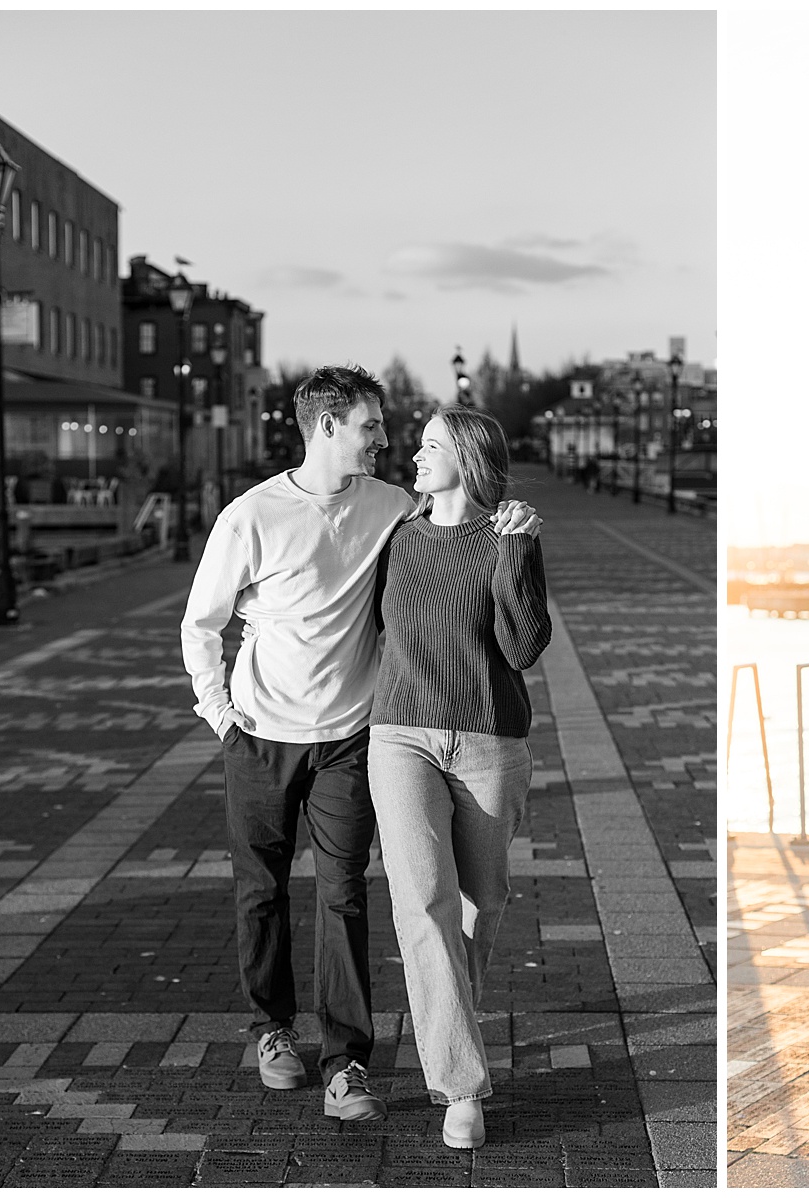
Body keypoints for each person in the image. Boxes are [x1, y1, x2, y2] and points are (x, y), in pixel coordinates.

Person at [181, 364, 533, 1121]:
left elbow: (455, 532)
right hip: (260, 734)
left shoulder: (394, 509)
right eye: (372, 426)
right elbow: (201, 624)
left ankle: (347, 1062)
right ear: (328, 427)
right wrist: (220, 716)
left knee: (346, 894)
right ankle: (272, 1030)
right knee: (262, 890)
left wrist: (512, 532)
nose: (386, 440)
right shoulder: (251, 516)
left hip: (353, 736)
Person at [367, 404, 549, 1151]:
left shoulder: (509, 536)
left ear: (468, 458)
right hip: (399, 735)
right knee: (424, 905)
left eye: (430, 445)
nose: (414, 454)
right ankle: (461, 1087)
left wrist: (515, 553)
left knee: (483, 901)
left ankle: (452, 1020)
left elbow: (526, 644)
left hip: (489, 740)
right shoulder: (397, 536)